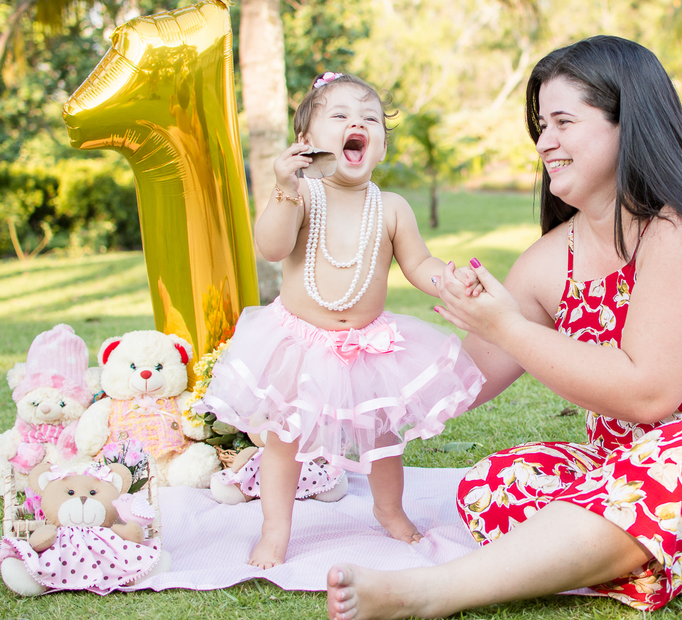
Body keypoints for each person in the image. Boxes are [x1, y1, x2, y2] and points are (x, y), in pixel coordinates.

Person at [324, 37, 682, 620]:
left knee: (679, 460)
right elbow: (462, 380)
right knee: (496, 483)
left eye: (564, 122)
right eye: (542, 125)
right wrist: (348, 379)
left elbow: (647, 394)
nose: (544, 142)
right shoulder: (550, 261)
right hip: (627, 470)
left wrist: (510, 327)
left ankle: (433, 592)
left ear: (630, 124)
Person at [203, 71, 484, 568]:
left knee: (383, 440)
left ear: (378, 149)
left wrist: (448, 278)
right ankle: (275, 530)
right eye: (340, 115)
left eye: (370, 119)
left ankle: (390, 510)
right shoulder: (305, 196)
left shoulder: (392, 208)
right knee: (284, 442)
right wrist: (283, 188)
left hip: (368, 346)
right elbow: (271, 247)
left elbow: (418, 263)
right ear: (306, 144)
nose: (358, 122)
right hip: (297, 344)